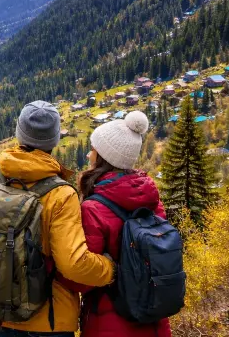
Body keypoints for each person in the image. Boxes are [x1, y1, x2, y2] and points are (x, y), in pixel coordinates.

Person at [0, 100, 115, 337]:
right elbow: (73, 265)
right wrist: (110, 269)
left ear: (19, 133)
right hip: (50, 324)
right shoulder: (61, 194)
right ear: (54, 140)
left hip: (0, 317)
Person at [76, 111, 172, 337]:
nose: (89, 154)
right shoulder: (152, 200)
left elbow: (83, 279)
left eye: (93, 149)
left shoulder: (93, 208)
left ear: (103, 157)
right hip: (153, 319)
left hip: (109, 321)